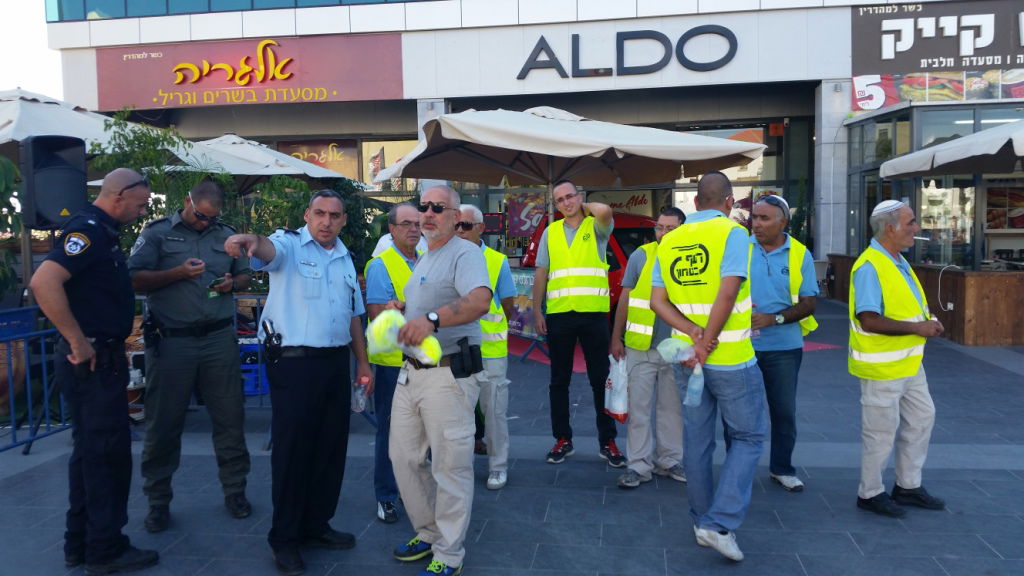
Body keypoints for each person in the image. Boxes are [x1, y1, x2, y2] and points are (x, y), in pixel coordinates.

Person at [224, 189, 373, 576]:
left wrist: (363, 363)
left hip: (334, 362)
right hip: (294, 364)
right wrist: (250, 241)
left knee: (330, 450)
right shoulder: (289, 244)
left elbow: (354, 315)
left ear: (343, 221)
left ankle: (316, 525)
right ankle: (285, 538)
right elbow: (266, 250)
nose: (326, 221)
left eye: (334, 215)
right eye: (319, 213)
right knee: (292, 454)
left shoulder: (344, 257)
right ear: (307, 215)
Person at [29, 168, 160, 575]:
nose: (141, 212)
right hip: (91, 362)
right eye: (139, 204)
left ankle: (79, 542)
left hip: (99, 359)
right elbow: (43, 281)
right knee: (107, 456)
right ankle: (105, 548)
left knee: (89, 453)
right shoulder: (87, 231)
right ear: (118, 196)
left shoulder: (100, 231)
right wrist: (77, 339)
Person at [650, 171, 766, 562]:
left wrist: (693, 335)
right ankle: (719, 523)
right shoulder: (733, 234)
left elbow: (658, 303)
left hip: (685, 357)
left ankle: (701, 521)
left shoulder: (670, 240)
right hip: (730, 358)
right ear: (729, 202)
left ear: (695, 203)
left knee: (697, 442)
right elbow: (728, 291)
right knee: (749, 437)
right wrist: (709, 339)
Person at [128, 180, 252, 533]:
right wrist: (177, 273)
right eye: (200, 216)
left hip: (217, 340)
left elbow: (245, 276)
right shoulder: (157, 234)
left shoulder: (227, 234)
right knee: (163, 424)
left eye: (211, 219)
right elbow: (133, 278)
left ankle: (235, 491)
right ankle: (157, 501)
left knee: (230, 419)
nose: (204, 224)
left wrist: (233, 284)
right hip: (172, 343)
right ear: (188, 202)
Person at [389, 185, 492, 576]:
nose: (428, 213)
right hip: (411, 373)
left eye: (438, 208)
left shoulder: (464, 253)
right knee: (403, 457)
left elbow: (480, 300)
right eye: (424, 207)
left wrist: (430, 320)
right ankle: (429, 531)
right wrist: (406, 309)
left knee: (449, 467)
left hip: (448, 374)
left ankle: (450, 552)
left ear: (454, 216)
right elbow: (429, 304)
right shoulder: (425, 258)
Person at [850, 199, 945, 518]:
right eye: (911, 223)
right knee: (880, 432)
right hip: (882, 366)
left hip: (907, 362)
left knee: (922, 419)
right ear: (890, 228)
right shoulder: (870, 266)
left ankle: (907, 486)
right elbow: (869, 319)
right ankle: (870, 492)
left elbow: (902, 306)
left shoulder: (895, 261)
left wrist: (926, 320)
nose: (916, 229)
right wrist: (919, 327)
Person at [532, 181, 624, 467]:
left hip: (594, 315)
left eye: (569, 196)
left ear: (580, 197)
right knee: (559, 381)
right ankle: (562, 439)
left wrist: (583, 208)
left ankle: (607, 441)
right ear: (555, 205)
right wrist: (537, 310)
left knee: (600, 380)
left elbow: (606, 210)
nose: (565, 203)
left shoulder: (595, 228)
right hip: (559, 315)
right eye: (559, 200)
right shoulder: (551, 232)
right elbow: (542, 273)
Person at [609, 206, 686, 489]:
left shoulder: (689, 258)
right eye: (660, 228)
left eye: (670, 228)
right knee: (639, 410)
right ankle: (638, 465)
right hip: (641, 347)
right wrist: (615, 337)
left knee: (672, 409)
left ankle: (670, 460)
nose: (663, 233)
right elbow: (625, 300)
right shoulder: (641, 256)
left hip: (676, 347)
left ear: (682, 229)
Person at [747, 194, 818, 492]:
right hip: (742, 346)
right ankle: (740, 469)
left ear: (783, 222)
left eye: (765, 218)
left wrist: (773, 319)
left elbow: (809, 303)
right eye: (755, 217)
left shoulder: (800, 254)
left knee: (783, 411)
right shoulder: (739, 247)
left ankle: (782, 468)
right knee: (741, 414)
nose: (757, 224)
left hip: (784, 348)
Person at [364, 202, 421, 524]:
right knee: (391, 430)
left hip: (424, 360)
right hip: (392, 362)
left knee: (421, 431)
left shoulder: (426, 262)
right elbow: (377, 315)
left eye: (417, 223)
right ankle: (386, 495)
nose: (414, 229)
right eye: (407, 224)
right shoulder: (380, 265)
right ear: (392, 229)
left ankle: (412, 489)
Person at [456, 203, 515, 490]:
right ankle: (461, 467)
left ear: (481, 228)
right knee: (460, 413)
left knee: (494, 412)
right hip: (456, 349)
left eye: (466, 225)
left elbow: (508, 304)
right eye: (456, 225)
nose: (460, 231)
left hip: (490, 350)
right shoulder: (444, 258)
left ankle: (498, 467)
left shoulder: (497, 260)